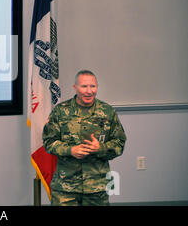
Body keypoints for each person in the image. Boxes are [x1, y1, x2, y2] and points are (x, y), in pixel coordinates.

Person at [42, 70, 126, 206]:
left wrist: (101, 148)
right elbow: (48, 142)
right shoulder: (60, 111)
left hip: (97, 186)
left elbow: (119, 143)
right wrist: (70, 150)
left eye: (92, 86)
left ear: (97, 87)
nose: (89, 91)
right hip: (65, 187)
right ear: (75, 88)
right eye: (84, 86)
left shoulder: (107, 112)